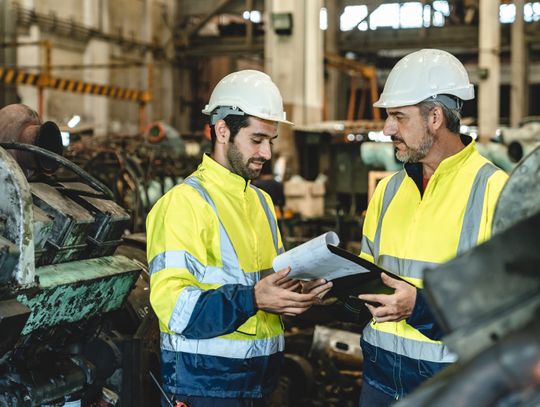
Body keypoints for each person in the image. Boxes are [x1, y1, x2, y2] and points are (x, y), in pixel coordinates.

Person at [146, 69, 332, 406]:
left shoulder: (260, 202)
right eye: (257, 139)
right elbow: (174, 310)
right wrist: (254, 299)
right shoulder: (183, 204)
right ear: (222, 131)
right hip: (204, 386)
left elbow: (265, 288)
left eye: (270, 141)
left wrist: (298, 292)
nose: (267, 153)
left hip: (262, 382)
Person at [355, 49, 508, 405]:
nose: (386, 129)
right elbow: (368, 277)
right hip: (378, 377)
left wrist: (420, 307)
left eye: (397, 117)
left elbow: (509, 313)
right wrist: (334, 287)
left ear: (435, 116)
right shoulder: (388, 191)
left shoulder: (494, 191)